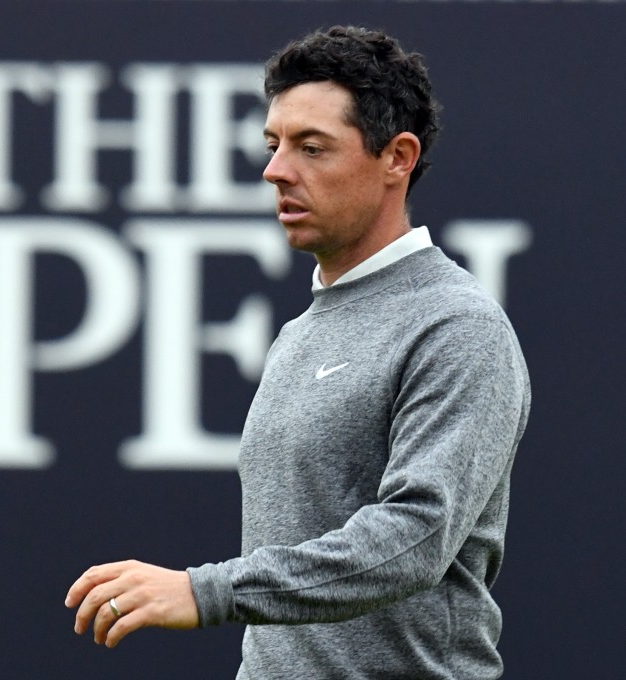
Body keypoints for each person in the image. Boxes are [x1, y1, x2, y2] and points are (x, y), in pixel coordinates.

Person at [65, 25, 531, 680]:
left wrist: (207, 591)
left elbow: (415, 538)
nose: (276, 170)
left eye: (312, 148)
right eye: (273, 144)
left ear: (397, 158)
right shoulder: (301, 332)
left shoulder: (457, 326)